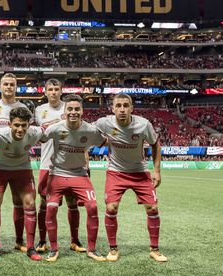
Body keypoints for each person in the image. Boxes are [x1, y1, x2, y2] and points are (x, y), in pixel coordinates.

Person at [95, 93, 167, 262]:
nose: (122, 109)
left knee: (153, 208)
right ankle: (113, 249)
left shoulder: (143, 125)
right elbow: (87, 132)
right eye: (118, 106)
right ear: (112, 109)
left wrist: (156, 171)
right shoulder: (104, 123)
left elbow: (155, 144)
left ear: (131, 108)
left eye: (125, 105)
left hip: (140, 172)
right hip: (116, 171)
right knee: (111, 208)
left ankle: (154, 249)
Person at [41, 94, 106, 262]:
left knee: (92, 206)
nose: (73, 112)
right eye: (70, 109)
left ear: (82, 111)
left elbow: (103, 142)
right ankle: (54, 249)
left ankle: (91, 248)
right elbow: (39, 137)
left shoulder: (90, 130)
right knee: (51, 208)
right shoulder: (55, 128)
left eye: (77, 109)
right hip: (57, 173)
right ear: (64, 111)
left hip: (80, 174)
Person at [0, 107, 42, 261]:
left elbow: (49, 130)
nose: (20, 129)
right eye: (16, 125)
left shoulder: (35, 133)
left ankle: (30, 247)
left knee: (30, 204)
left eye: (24, 125)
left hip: (22, 169)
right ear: (9, 124)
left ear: (29, 125)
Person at [34, 79, 85, 253]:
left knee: (72, 203)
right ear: (45, 92)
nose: (54, 92)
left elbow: (80, 135)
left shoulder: (70, 108)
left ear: (61, 91)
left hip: (70, 164)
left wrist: (86, 163)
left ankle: (75, 240)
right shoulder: (39, 111)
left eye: (57, 89)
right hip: (47, 163)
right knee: (44, 204)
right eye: (50, 89)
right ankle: (42, 240)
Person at [0, 73, 30, 253]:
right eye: (5, 84)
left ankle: (19, 240)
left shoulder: (23, 107)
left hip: (19, 161)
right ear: (0, 87)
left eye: (12, 84)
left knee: (19, 201)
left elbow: (29, 131)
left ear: (15, 87)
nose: (8, 87)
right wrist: (2, 132)